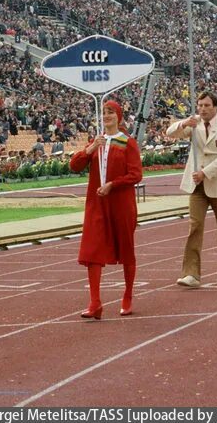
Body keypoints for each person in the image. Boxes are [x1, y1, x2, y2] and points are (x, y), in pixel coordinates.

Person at [68, 100, 143, 319]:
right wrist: (90, 149)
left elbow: (136, 174)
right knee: (92, 251)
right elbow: (74, 166)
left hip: (120, 204)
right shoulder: (96, 142)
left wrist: (113, 184)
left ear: (119, 117)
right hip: (97, 204)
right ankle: (95, 302)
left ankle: (127, 295)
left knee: (126, 250)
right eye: (104, 112)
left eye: (111, 112)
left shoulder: (127, 143)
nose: (107, 116)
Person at [166, 92, 217, 287]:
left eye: (207, 105)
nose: (203, 109)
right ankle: (191, 273)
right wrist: (183, 124)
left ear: (215, 107)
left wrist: (205, 172)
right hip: (196, 185)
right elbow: (170, 133)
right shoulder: (194, 124)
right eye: (200, 105)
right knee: (195, 226)